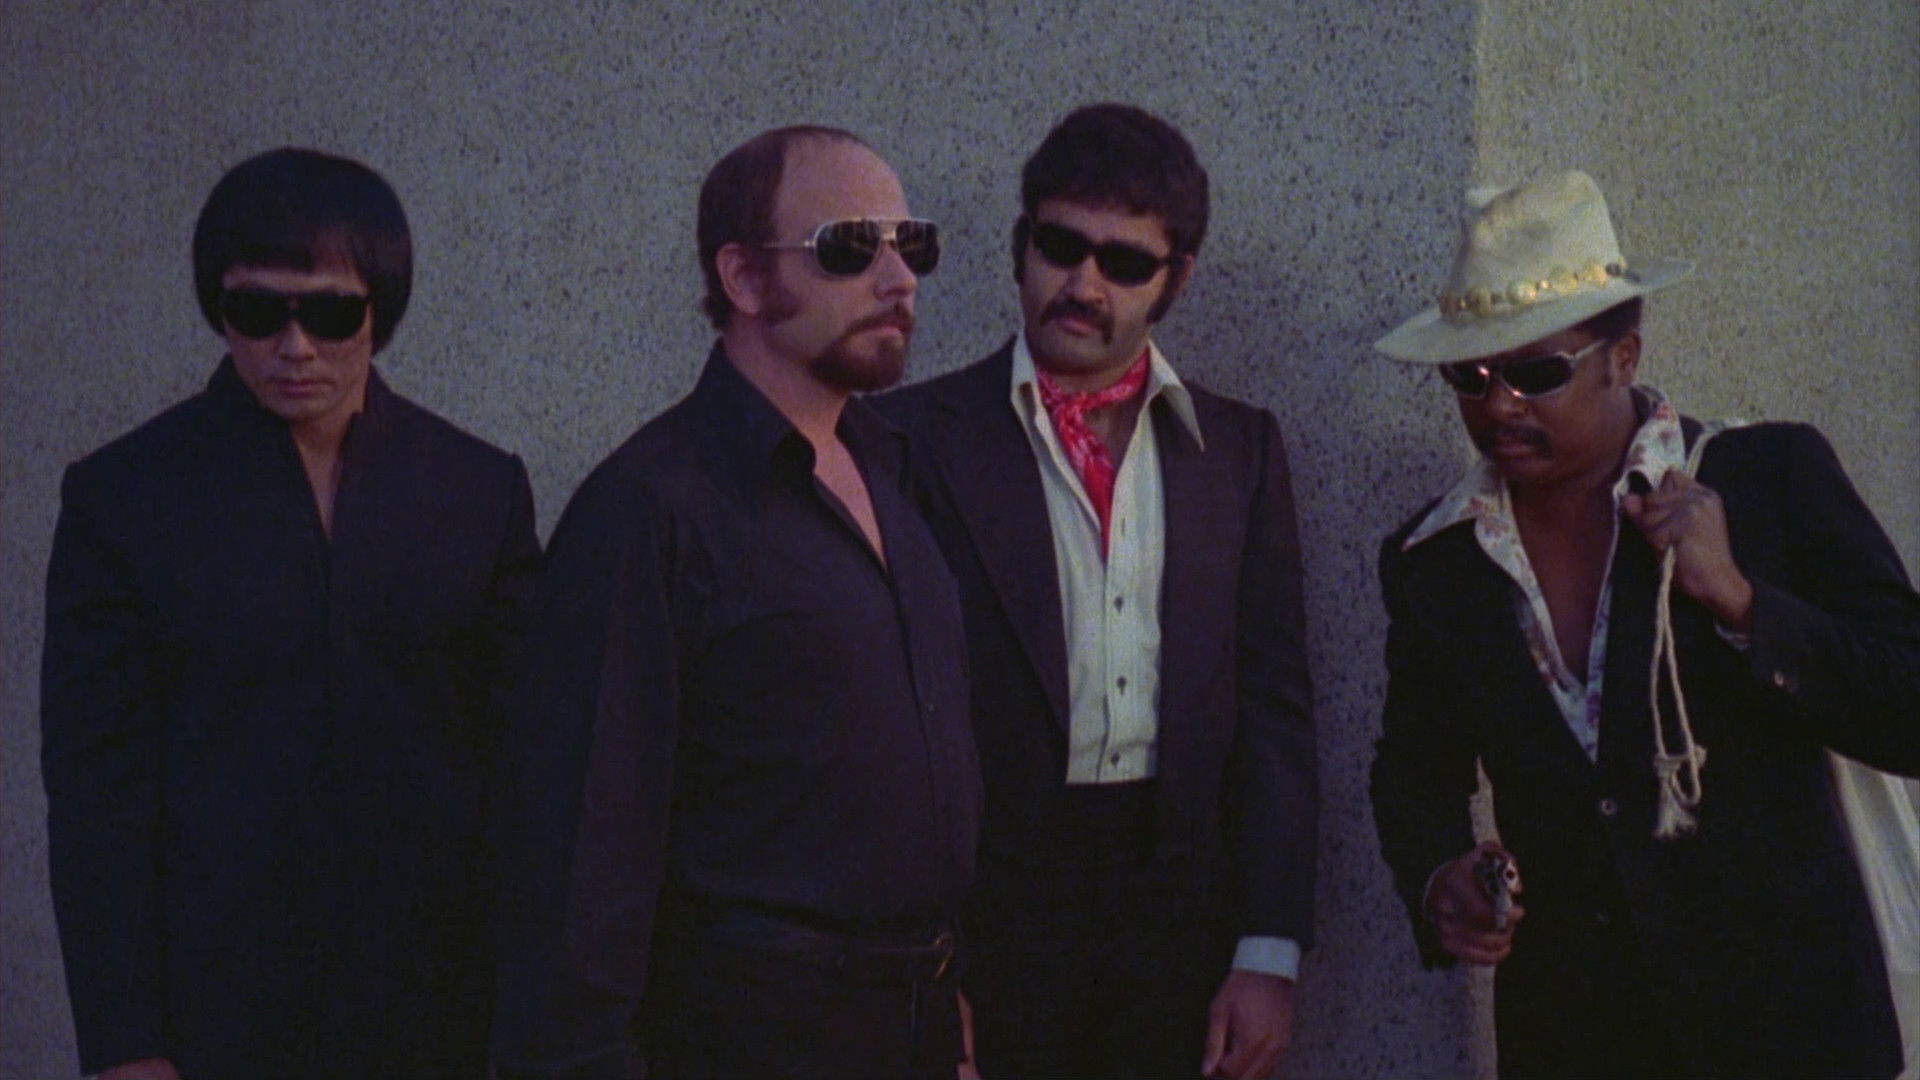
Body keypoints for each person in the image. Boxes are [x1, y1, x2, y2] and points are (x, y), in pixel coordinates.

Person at [1369, 169, 1920, 1077]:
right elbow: (1413, 768)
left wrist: (1741, 601)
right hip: (1576, 1041)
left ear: (1623, 356)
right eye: (1469, 376)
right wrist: (1441, 880)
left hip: (1793, 1036)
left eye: (1536, 373)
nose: (1499, 405)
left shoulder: (1767, 477)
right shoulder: (1436, 561)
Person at [490, 126, 980, 1080]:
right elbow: (580, 855)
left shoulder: (897, 473)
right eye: (850, 246)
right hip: (744, 1036)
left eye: (911, 244)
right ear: (746, 279)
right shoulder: (647, 510)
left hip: (913, 1024)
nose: (898, 280)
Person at [41, 147, 541, 1080]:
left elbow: (526, 765)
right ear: (219, 308)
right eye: (259, 312)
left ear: (380, 311)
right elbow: (96, 796)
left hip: (440, 1003)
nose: (295, 346)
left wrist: (537, 1013)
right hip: (216, 1011)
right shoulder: (126, 500)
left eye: (331, 313)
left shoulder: (478, 492)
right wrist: (125, 1042)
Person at [880, 103, 1316, 1080]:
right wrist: (919, 965)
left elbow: (1275, 713)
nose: (1083, 285)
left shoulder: (1239, 451)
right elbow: (881, 729)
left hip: (1183, 928)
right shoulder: (909, 441)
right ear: (1021, 245)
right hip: (989, 922)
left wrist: (1270, 951)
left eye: (1124, 262)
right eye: (1061, 246)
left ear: (1177, 279)